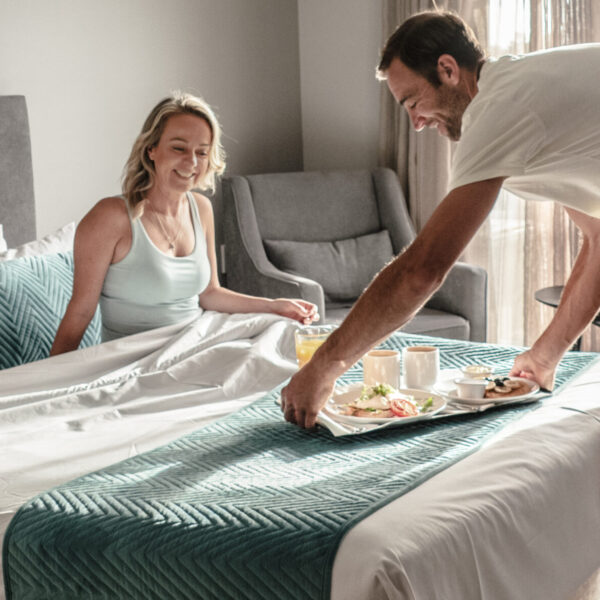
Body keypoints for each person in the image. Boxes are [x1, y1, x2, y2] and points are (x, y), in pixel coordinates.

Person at [281, 10, 600, 428]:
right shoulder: (524, 96)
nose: (415, 124)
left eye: (413, 102)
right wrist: (544, 357)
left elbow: (423, 270)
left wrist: (324, 366)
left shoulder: (499, 108)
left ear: (448, 70)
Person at [51, 92, 318, 355]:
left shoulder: (201, 208)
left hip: (196, 346)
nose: (191, 162)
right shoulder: (110, 217)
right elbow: (81, 311)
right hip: (135, 360)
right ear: (151, 149)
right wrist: (51, 374)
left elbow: (210, 293)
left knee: (284, 337)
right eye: (178, 148)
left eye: (202, 152)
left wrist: (274, 305)